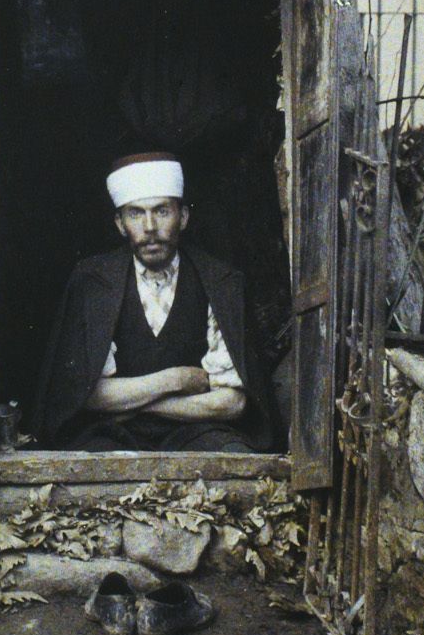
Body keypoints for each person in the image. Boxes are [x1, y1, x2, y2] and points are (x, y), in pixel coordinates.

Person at [31, 150, 282, 452]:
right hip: (112, 433)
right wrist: (176, 379)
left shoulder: (219, 281)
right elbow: (91, 395)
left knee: (233, 457)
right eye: (136, 213)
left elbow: (232, 403)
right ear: (120, 224)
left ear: (184, 217)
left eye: (162, 211)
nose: (149, 227)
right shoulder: (94, 281)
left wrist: (139, 405)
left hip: (196, 431)